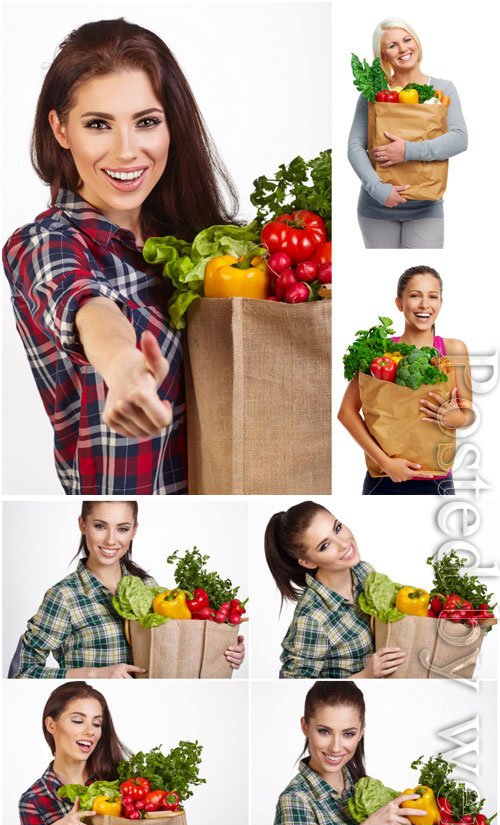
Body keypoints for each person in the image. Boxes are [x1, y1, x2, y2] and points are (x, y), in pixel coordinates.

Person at [2, 18, 237, 495]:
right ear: (61, 129)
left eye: (146, 122)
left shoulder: (198, 243)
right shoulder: (44, 243)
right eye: (98, 125)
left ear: (172, 124)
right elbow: (86, 306)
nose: (127, 151)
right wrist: (125, 369)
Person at [12, 499, 244, 678]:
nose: (111, 540)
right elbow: (22, 672)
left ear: (134, 530)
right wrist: (96, 674)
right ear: (82, 524)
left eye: (122, 528)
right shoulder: (64, 597)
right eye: (100, 526)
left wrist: (221, 650)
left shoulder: (148, 587)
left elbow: (175, 647)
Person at [18, 681, 201, 825]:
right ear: (51, 725)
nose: (90, 731)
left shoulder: (123, 779)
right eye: (78, 720)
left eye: (97, 724)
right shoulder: (33, 802)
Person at [338, 266, 474, 495]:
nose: (424, 304)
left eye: (433, 296)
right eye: (414, 296)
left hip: (437, 479)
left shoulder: (454, 349)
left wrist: (455, 418)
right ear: (399, 303)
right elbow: (346, 412)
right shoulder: (379, 350)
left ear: (441, 302)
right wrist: (385, 463)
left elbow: (468, 414)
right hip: (384, 478)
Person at [348, 19, 468, 249]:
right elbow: (355, 146)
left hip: (426, 206)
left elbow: (460, 137)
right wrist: (378, 189)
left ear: (416, 43)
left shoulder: (443, 88)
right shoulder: (372, 94)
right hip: (376, 207)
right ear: (383, 56)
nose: (403, 49)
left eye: (407, 40)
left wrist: (407, 151)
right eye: (392, 46)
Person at [273, 680, 424, 825]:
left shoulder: (362, 786)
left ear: (361, 733)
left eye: (348, 734)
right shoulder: (295, 800)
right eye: (324, 731)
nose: (336, 747)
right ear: (305, 726)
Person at [264, 501, 406, 677]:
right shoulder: (312, 618)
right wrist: (367, 674)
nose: (343, 544)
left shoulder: (363, 571)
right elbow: (294, 684)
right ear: (308, 562)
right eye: (325, 545)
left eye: (337, 528)